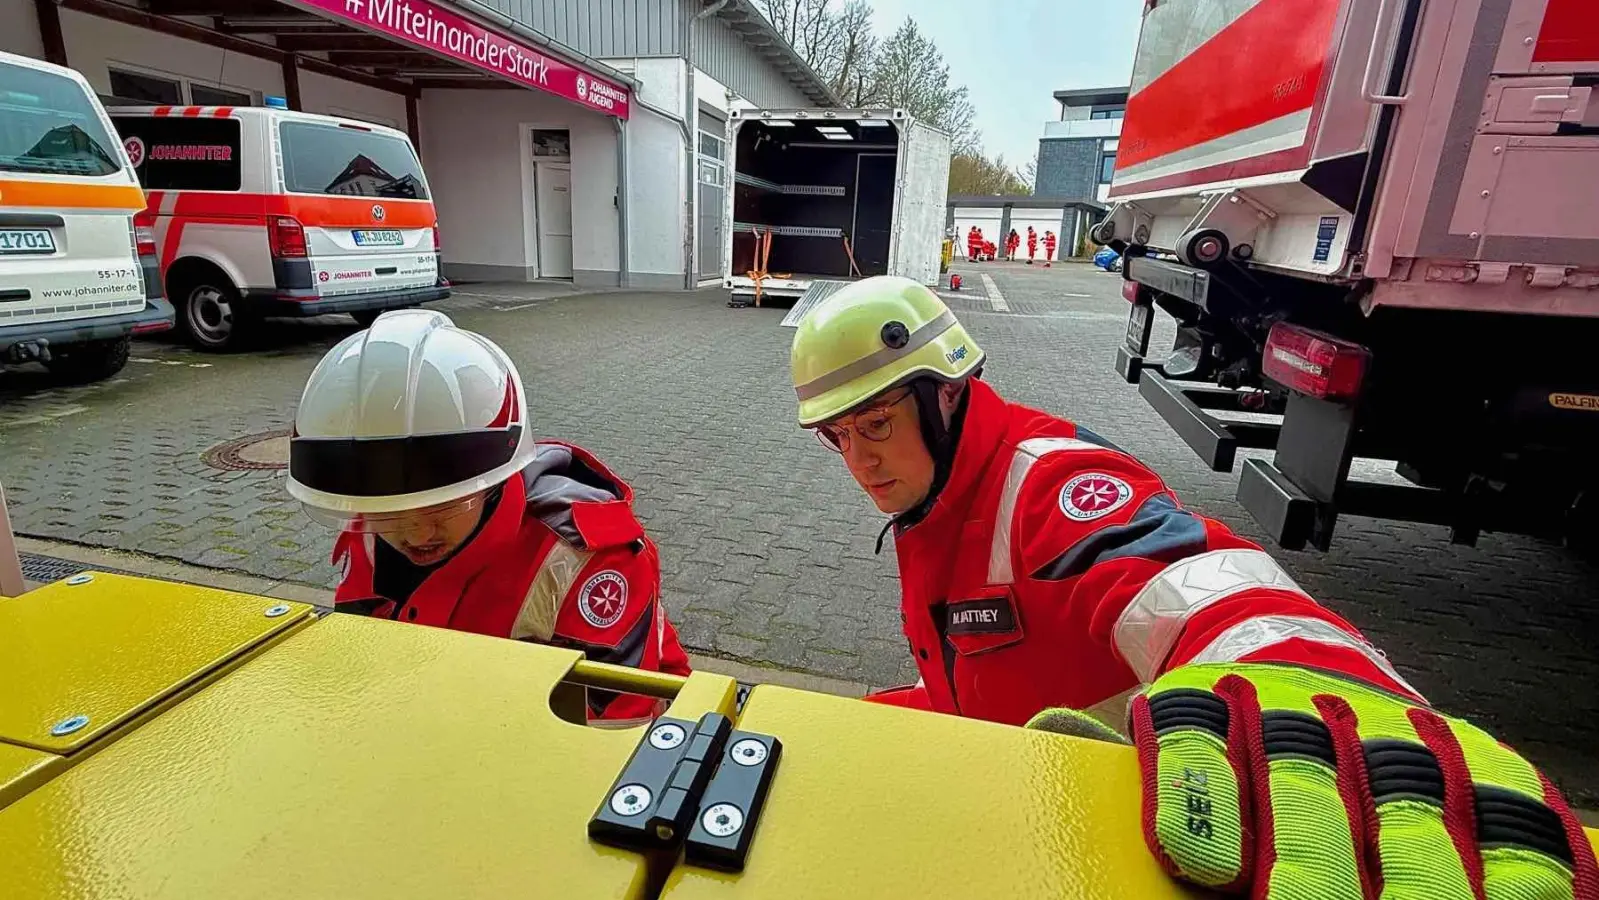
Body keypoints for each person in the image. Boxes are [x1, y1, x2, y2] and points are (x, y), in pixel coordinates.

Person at [788, 275, 1598, 899]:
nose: (859, 461)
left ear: (947, 392)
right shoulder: (934, 507)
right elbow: (975, 694)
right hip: (1056, 812)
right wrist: (844, 729)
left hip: (1164, 836)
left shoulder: (1048, 485)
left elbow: (1191, 583)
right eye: (837, 436)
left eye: (877, 423)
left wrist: (1306, 675)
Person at [287, 309, 691, 723]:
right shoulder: (370, 525)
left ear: (492, 481)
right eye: (389, 512)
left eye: (444, 504)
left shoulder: (584, 558)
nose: (417, 532)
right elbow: (358, 653)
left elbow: (620, 724)